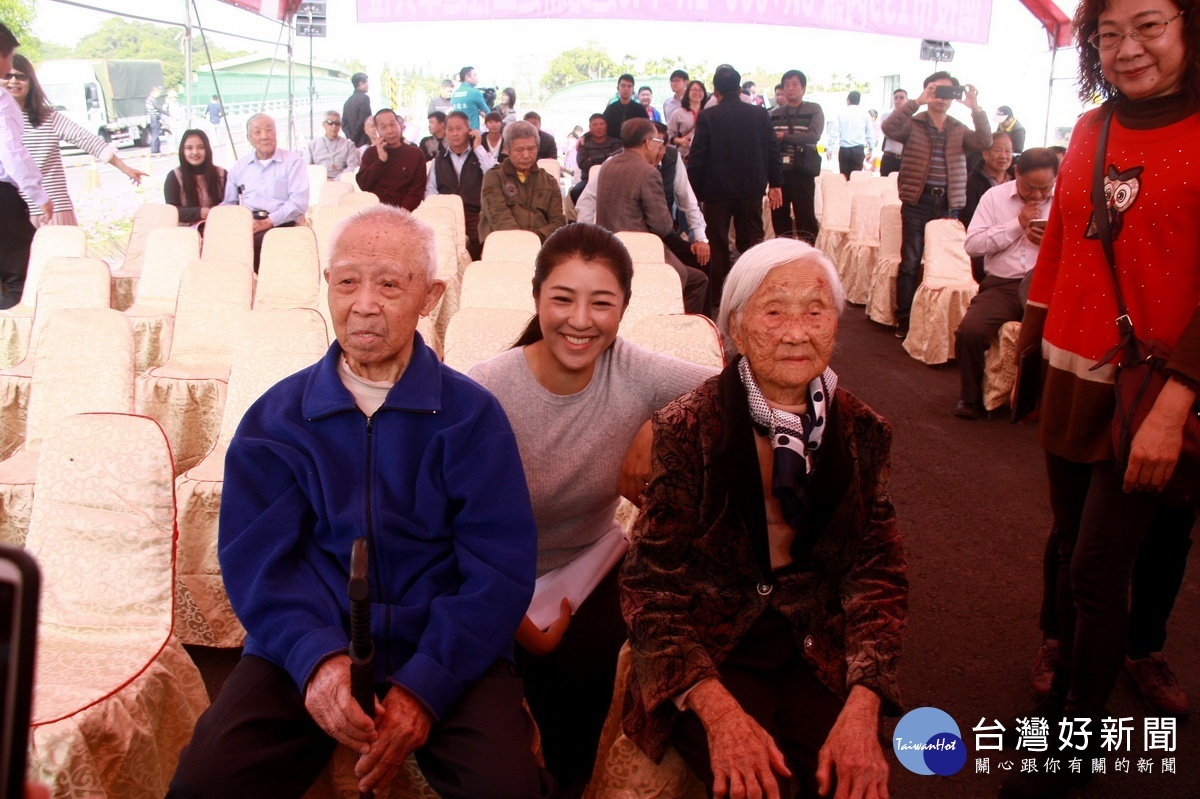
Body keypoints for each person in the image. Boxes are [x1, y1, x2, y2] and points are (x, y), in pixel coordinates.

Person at [167, 205, 554, 799]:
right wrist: (315, 659)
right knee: (207, 782)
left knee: (506, 788)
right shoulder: (278, 419)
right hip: (310, 641)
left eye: (390, 284)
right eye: (347, 281)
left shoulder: (472, 417)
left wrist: (426, 685)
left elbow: (497, 571)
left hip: (444, 646)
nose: (364, 302)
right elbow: (258, 565)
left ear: (430, 297)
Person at [620, 237, 906, 799]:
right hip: (714, 650)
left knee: (841, 784)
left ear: (836, 324)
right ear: (737, 327)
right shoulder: (687, 428)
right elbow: (649, 586)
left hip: (816, 646)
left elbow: (879, 574)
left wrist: (864, 701)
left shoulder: (863, 430)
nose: (798, 332)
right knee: (761, 787)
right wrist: (719, 715)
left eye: (815, 311)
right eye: (775, 311)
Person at [1002, 0, 1200, 795]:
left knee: (1094, 567)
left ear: (1189, 26)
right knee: (1068, 538)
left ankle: (1072, 749)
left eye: (1148, 26)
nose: (1126, 49)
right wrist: (1026, 348)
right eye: (1108, 33)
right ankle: (1073, 654)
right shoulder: (1090, 128)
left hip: (1153, 388)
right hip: (1069, 365)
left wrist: (1176, 401)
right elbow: (1059, 243)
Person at [468, 222, 715, 792]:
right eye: (562, 299)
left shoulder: (634, 370)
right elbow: (443, 527)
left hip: (586, 566)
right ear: (536, 299)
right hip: (488, 576)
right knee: (501, 693)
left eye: (601, 303)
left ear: (623, 308)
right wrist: (521, 623)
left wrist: (661, 424)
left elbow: (779, 388)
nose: (580, 320)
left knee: (599, 675)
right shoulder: (485, 390)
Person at [881, 71, 991, 339]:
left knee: (942, 263)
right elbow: (889, 128)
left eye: (947, 93)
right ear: (928, 91)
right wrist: (917, 101)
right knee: (910, 261)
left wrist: (975, 108)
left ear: (954, 97)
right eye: (936, 91)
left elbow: (985, 142)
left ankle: (934, 321)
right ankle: (904, 319)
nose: (941, 98)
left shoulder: (958, 128)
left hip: (948, 203)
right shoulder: (913, 123)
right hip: (917, 200)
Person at [953, 147, 1056, 420]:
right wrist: (1016, 226)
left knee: (1062, 337)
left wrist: (1052, 247)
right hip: (1003, 285)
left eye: (1045, 189)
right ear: (1016, 173)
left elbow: (1084, 251)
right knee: (970, 332)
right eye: (1029, 188)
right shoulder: (994, 197)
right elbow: (973, 245)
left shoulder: (1067, 199)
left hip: (1049, 284)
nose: (1037, 196)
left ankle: (1046, 407)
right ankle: (970, 399)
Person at [575, 118, 710, 315]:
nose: (658, 148)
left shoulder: (607, 166)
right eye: (657, 142)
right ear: (648, 142)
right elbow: (662, 226)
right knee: (697, 280)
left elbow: (584, 204)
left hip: (609, 251)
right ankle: (677, 329)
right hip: (642, 254)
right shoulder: (648, 172)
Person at [6, 54, 146, 227]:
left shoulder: (48, 117)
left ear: (31, 81)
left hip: (53, 209)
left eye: (20, 76)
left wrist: (125, 168)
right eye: (8, 76)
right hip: (12, 209)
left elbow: (87, 140)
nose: (14, 81)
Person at [687, 64, 783, 310]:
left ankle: (721, 297)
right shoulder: (760, 114)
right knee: (752, 240)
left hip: (716, 191)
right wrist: (776, 183)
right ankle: (754, 291)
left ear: (715, 91)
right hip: (751, 188)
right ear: (740, 88)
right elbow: (773, 150)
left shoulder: (709, 116)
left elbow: (698, 157)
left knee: (718, 245)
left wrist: (692, 193)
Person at [0, 24, 49, 311]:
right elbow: (12, 151)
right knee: (22, 275)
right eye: (10, 57)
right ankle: (10, 347)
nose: (10, 66)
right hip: (2, 199)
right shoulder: (2, 100)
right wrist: (38, 194)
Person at [221, 113, 308, 270]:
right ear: (249, 138)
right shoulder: (240, 167)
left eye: (269, 130)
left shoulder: (293, 162)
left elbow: (299, 203)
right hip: (248, 224)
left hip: (281, 223)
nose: (264, 136)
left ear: (276, 134)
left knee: (257, 244)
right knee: (221, 245)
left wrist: (268, 222)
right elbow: (229, 204)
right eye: (257, 132)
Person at [479, 121, 565, 244]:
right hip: (502, 247)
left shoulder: (549, 182)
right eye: (519, 150)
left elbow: (558, 222)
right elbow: (498, 216)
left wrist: (537, 237)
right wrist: (522, 242)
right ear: (507, 150)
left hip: (540, 246)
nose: (526, 155)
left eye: (531, 149)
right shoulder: (494, 177)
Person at [426, 110, 495, 260]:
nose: (454, 134)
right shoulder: (439, 160)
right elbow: (430, 192)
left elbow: (493, 175)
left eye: (459, 129)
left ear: (469, 131)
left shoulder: (479, 155)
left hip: (475, 216)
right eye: (450, 129)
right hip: (447, 217)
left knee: (476, 249)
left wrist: (478, 147)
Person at [770, 68, 824, 243]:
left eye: (795, 84)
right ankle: (784, 254)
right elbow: (768, 141)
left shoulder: (813, 109)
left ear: (803, 88)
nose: (790, 88)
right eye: (787, 85)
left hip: (802, 170)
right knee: (779, 216)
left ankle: (808, 254)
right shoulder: (774, 114)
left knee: (805, 216)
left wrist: (784, 137)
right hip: (779, 172)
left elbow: (813, 135)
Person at [356, 109, 426, 211]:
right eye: (383, 127)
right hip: (376, 211)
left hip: (405, 212)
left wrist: (403, 211)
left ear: (400, 125)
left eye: (393, 124)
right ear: (377, 130)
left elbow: (417, 189)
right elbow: (364, 185)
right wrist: (381, 161)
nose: (390, 131)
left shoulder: (415, 154)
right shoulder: (370, 153)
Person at [164, 129, 227, 229]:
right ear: (182, 151)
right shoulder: (174, 177)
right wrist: (200, 212)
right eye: (189, 148)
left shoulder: (221, 174)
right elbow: (171, 211)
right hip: (187, 233)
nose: (195, 152)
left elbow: (232, 203)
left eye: (201, 147)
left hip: (219, 228)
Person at [569, 113, 620, 204]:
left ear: (606, 126)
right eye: (595, 124)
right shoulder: (584, 145)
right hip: (588, 181)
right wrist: (607, 157)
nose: (599, 127)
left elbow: (617, 160)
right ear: (590, 127)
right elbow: (582, 164)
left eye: (601, 124)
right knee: (575, 192)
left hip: (612, 180)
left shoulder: (615, 143)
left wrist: (592, 159)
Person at [826, 90, 875, 179]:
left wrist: (830, 148)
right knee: (855, 178)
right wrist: (871, 150)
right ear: (859, 101)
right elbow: (870, 133)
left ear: (848, 100)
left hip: (844, 150)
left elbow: (834, 132)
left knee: (844, 177)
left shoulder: (841, 113)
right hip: (858, 150)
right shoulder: (865, 114)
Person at [305, 110, 360, 180]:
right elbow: (307, 167)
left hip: (342, 181)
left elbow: (352, 166)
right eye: (330, 123)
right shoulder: (313, 145)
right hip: (319, 181)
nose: (334, 126)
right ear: (324, 125)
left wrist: (337, 179)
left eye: (337, 123)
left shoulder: (348, 145)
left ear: (340, 125)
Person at [666, 79, 707, 160]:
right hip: (684, 156)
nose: (697, 93)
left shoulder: (708, 112)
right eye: (694, 90)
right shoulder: (678, 113)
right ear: (687, 92)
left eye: (700, 90)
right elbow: (668, 135)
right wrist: (680, 141)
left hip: (704, 155)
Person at [602, 74, 649, 143]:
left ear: (633, 89)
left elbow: (648, 128)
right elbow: (600, 125)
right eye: (623, 85)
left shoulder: (640, 109)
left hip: (634, 147)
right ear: (618, 88)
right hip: (612, 146)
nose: (626, 89)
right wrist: (584, 136)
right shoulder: (611, 109)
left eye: (629, 86)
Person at [878, 89, 907, 176]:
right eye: (896, 98)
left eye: (901, 98)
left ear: (907, 100)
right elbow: (887, 132)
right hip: (889, 157)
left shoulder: (912, 119)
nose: (898, 100)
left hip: (905, 158)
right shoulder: (886, 117)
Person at [451, 66, 490, 131]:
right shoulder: (475, 93)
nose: (477, 78)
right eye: (475, 75)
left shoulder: (454, 94)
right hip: (472, 133)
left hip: (458, 132)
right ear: (467, 77)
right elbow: (488, 113)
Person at [342, 72, 372, 148]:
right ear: (361, 83)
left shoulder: (348, 101)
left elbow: (344, 124)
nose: (368, 85)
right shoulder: (365, 98)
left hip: (352, 143)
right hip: (363, 140)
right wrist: (355, 136)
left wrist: (351, 137)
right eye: (367, 82)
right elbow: (364, 120)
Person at [146, 85, 164, 154]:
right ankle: (154, 150)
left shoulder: (149, 99)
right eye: (159, 93)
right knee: (155, 134)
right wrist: (170, 115)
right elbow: (160, 109)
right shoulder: (152, 100)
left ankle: (156, 149)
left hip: (153, 118)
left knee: (155, 134)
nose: (159, 95)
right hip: (154, 118)